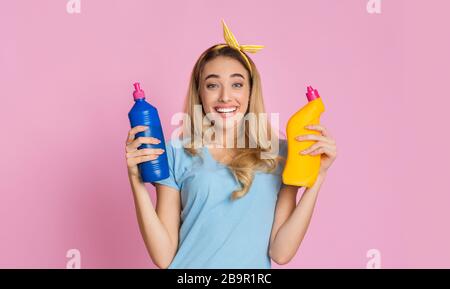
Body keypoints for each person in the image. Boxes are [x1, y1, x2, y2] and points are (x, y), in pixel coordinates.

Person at [125, 20, 337, 269]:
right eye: (212, 85)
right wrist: (135, 180)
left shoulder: (279, 154)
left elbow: (281, 252)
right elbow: (163, 257)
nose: (225, 96)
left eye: (237, 84)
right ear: (200, 93)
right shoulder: (176, 153)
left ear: (250, 91)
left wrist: (317, 179)